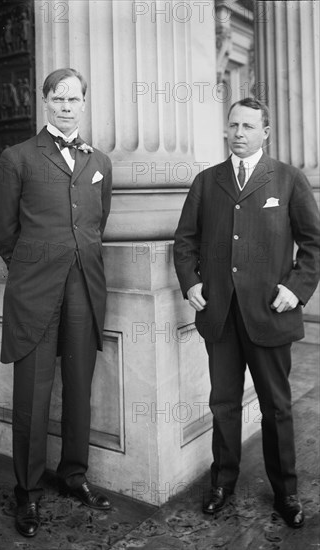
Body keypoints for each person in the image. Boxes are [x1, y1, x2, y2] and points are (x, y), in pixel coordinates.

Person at [173, 98, 319, 528]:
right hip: (219, 314)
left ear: (265, 131)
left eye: (248, 126)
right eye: (233, 124)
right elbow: (185, 241)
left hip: (270, 313)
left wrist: (296, 291)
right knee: (223, 404)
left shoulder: (289, 179)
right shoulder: (206, 181)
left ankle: (286, 493)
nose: (238, 132)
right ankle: (223, 483)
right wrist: (191, 282)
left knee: (276, 407)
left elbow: (313, 245)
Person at [0, 68, 113, 538]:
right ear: (45, 102)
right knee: (33, 394)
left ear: (84, 103)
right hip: (35, 290)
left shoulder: (99, 159)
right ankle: (27, 491)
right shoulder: (17, 157)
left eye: (74, 98)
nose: (66, 105)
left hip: (84, 285)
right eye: (57, 98)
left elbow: (99, 221)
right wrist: (28, 269)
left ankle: (74, 474)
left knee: (79, 386)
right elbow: (3, 228)